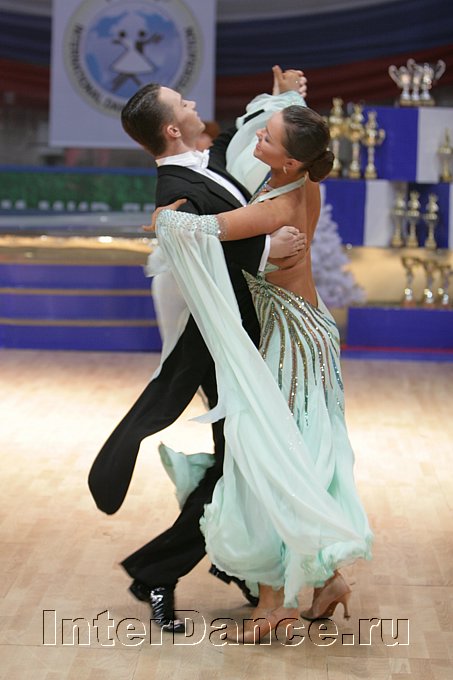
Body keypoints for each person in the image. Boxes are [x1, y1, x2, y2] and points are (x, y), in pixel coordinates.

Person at [88, 67, 308, 633]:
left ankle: (233, 568)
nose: (191, 103)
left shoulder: (201, 165)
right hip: (219, 349)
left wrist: (279, 99)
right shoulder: (174, 195)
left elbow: (235, 151)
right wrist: (267, 249)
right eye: (181, 102)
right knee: (241, 462)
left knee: (243, 462)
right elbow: (200, 253)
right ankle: (164, 571)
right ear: (171, 129)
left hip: (239, 340)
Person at [152, 104, 373, 643]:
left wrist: (163, 217)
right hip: (307, 330)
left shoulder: (276, 209)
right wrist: (279, 99)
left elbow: (202, 229)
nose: (257, 142)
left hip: (292, 342)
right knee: (291, 455)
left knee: (267, 461)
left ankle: (275, 604)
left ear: (292, 161)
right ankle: (325, 581)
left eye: (268, 138)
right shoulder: (302, 185)